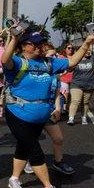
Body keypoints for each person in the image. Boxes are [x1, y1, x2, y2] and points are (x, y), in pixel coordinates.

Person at [1, 30, 94, 188]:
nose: (39, 46)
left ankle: (14, 179)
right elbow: (4, 60)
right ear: (24, 46)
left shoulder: (49, 63)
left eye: (41, 43)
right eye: (35, 43)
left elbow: (72, 61)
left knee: (24, 147)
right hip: (18, 113)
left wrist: (87, 44)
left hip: (41, 115)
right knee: (35, 150)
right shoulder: (17, 62)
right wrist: (14, 38)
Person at [24, 43, 75, 176]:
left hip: (49, 111)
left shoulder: (54, 73)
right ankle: (29, 161)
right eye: (52, 55)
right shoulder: (34, 71)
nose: (55, 57)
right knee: (31, 140)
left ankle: (58, 162)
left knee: (58, 138)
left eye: (55, 55)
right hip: (34, 109)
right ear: (44, 56)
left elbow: (57, 91)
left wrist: (58, 108)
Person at [68, 47, 94, 125]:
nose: (88, 51)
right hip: (76, 84)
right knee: (75, 101)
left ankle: (84, 117)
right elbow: (69, 69)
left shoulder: (92, 58)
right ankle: (71, 118)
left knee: (85, 102)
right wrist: (72, 66)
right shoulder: (75, 59)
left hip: (90, 85)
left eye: (89, 50)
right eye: (86, 50)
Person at [59, 43, 74, 112]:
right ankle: (63, 108)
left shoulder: (75, 57)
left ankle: (67, 107)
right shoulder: (61, 57)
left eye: (72, 48)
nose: (71, 49)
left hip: (74, 79)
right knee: (65, 94)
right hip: (64, 79)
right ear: (65, 49)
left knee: (71, 96)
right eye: (69, 48)